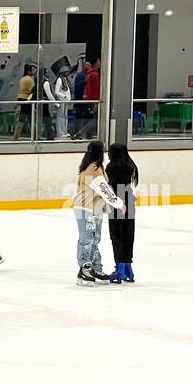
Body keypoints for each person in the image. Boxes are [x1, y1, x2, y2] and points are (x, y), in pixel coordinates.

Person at [73, 140, 109, 285]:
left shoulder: (98, 167)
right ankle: (85, 268)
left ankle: (95, 267)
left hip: (95, 209)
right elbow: (103, 190)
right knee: (87, 239)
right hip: (85, 209)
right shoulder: (93, 168)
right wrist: (118, 203)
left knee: (95, 239)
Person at [104, 143, 138, 283]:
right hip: (129, 200)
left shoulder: (111, 167)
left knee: (116, 236)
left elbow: (109, 186)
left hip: (117, 202)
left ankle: (119, 270)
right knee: (128, 235)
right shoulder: (131, 165)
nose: (108, 154)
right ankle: (128, 269)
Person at [47, 68, 71, 141]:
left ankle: (64, 131)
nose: (67, 73)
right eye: (66, 71)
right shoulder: (59, 80)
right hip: (61, 101)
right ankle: (60, 132)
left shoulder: (65, 79)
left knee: (65, 117)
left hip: (65, 101)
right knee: (60, 117)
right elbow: (56, 92)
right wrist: (64, 96)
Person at [13, 64, 36, 140]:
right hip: (26, 99)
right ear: (29, 71)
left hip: (20, 98)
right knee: (31, 118)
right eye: (32, 70)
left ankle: (16, 135)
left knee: (22, 118)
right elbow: (32, 92)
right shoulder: (30, 80)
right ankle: (35, 136)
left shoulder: (22, 79)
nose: (34, 72)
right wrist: (29, 100)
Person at [71, 58, 90, 137]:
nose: (89, 66)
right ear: (83, 65)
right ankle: (75, 133)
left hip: (83, 100)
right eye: (87, 65)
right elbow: (78, 87)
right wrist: (85, 81)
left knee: (84, 117)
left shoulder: (85, 74)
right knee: (79, 117)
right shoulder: (81, 75)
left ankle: (80, 133)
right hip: (80, 100)